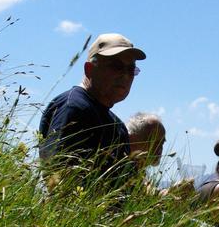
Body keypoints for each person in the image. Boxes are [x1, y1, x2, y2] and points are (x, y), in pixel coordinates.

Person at [39, 33, 145, 190]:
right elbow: (58, 181)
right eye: (116, 66)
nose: (125, 75)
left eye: (131, 69)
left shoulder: (117, 125)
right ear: (89, 69)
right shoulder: (74, 108)